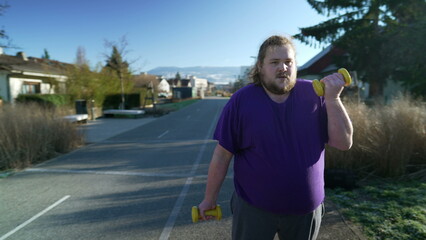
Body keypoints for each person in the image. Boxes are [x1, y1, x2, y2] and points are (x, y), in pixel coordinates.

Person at [198, 35, 353, 240]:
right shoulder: (242, 100)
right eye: (274, 62)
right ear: (260, 66)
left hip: (305, 211)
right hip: (254, 210)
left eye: (288, 62)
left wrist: (333, 98)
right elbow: (222, 155)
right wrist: (209, 199)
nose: (283, 68)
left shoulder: (315, 94)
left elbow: (343, 143)